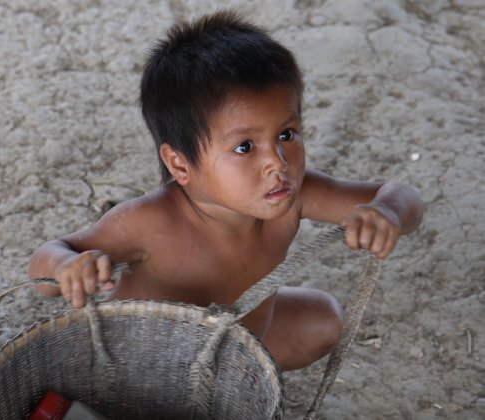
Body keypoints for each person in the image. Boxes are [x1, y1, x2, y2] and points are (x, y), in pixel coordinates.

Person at [28, 11, 424, 371]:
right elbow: (44, 272)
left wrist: (387, 212)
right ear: (180, 164)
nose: (278, 162)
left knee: (322, 319)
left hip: (236, 344)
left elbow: (402, 196)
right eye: (244, 147)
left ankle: (232, 376)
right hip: (145, 365)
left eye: (286, 134)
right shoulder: (149, 222)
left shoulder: (294, 194)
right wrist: (67, 268)